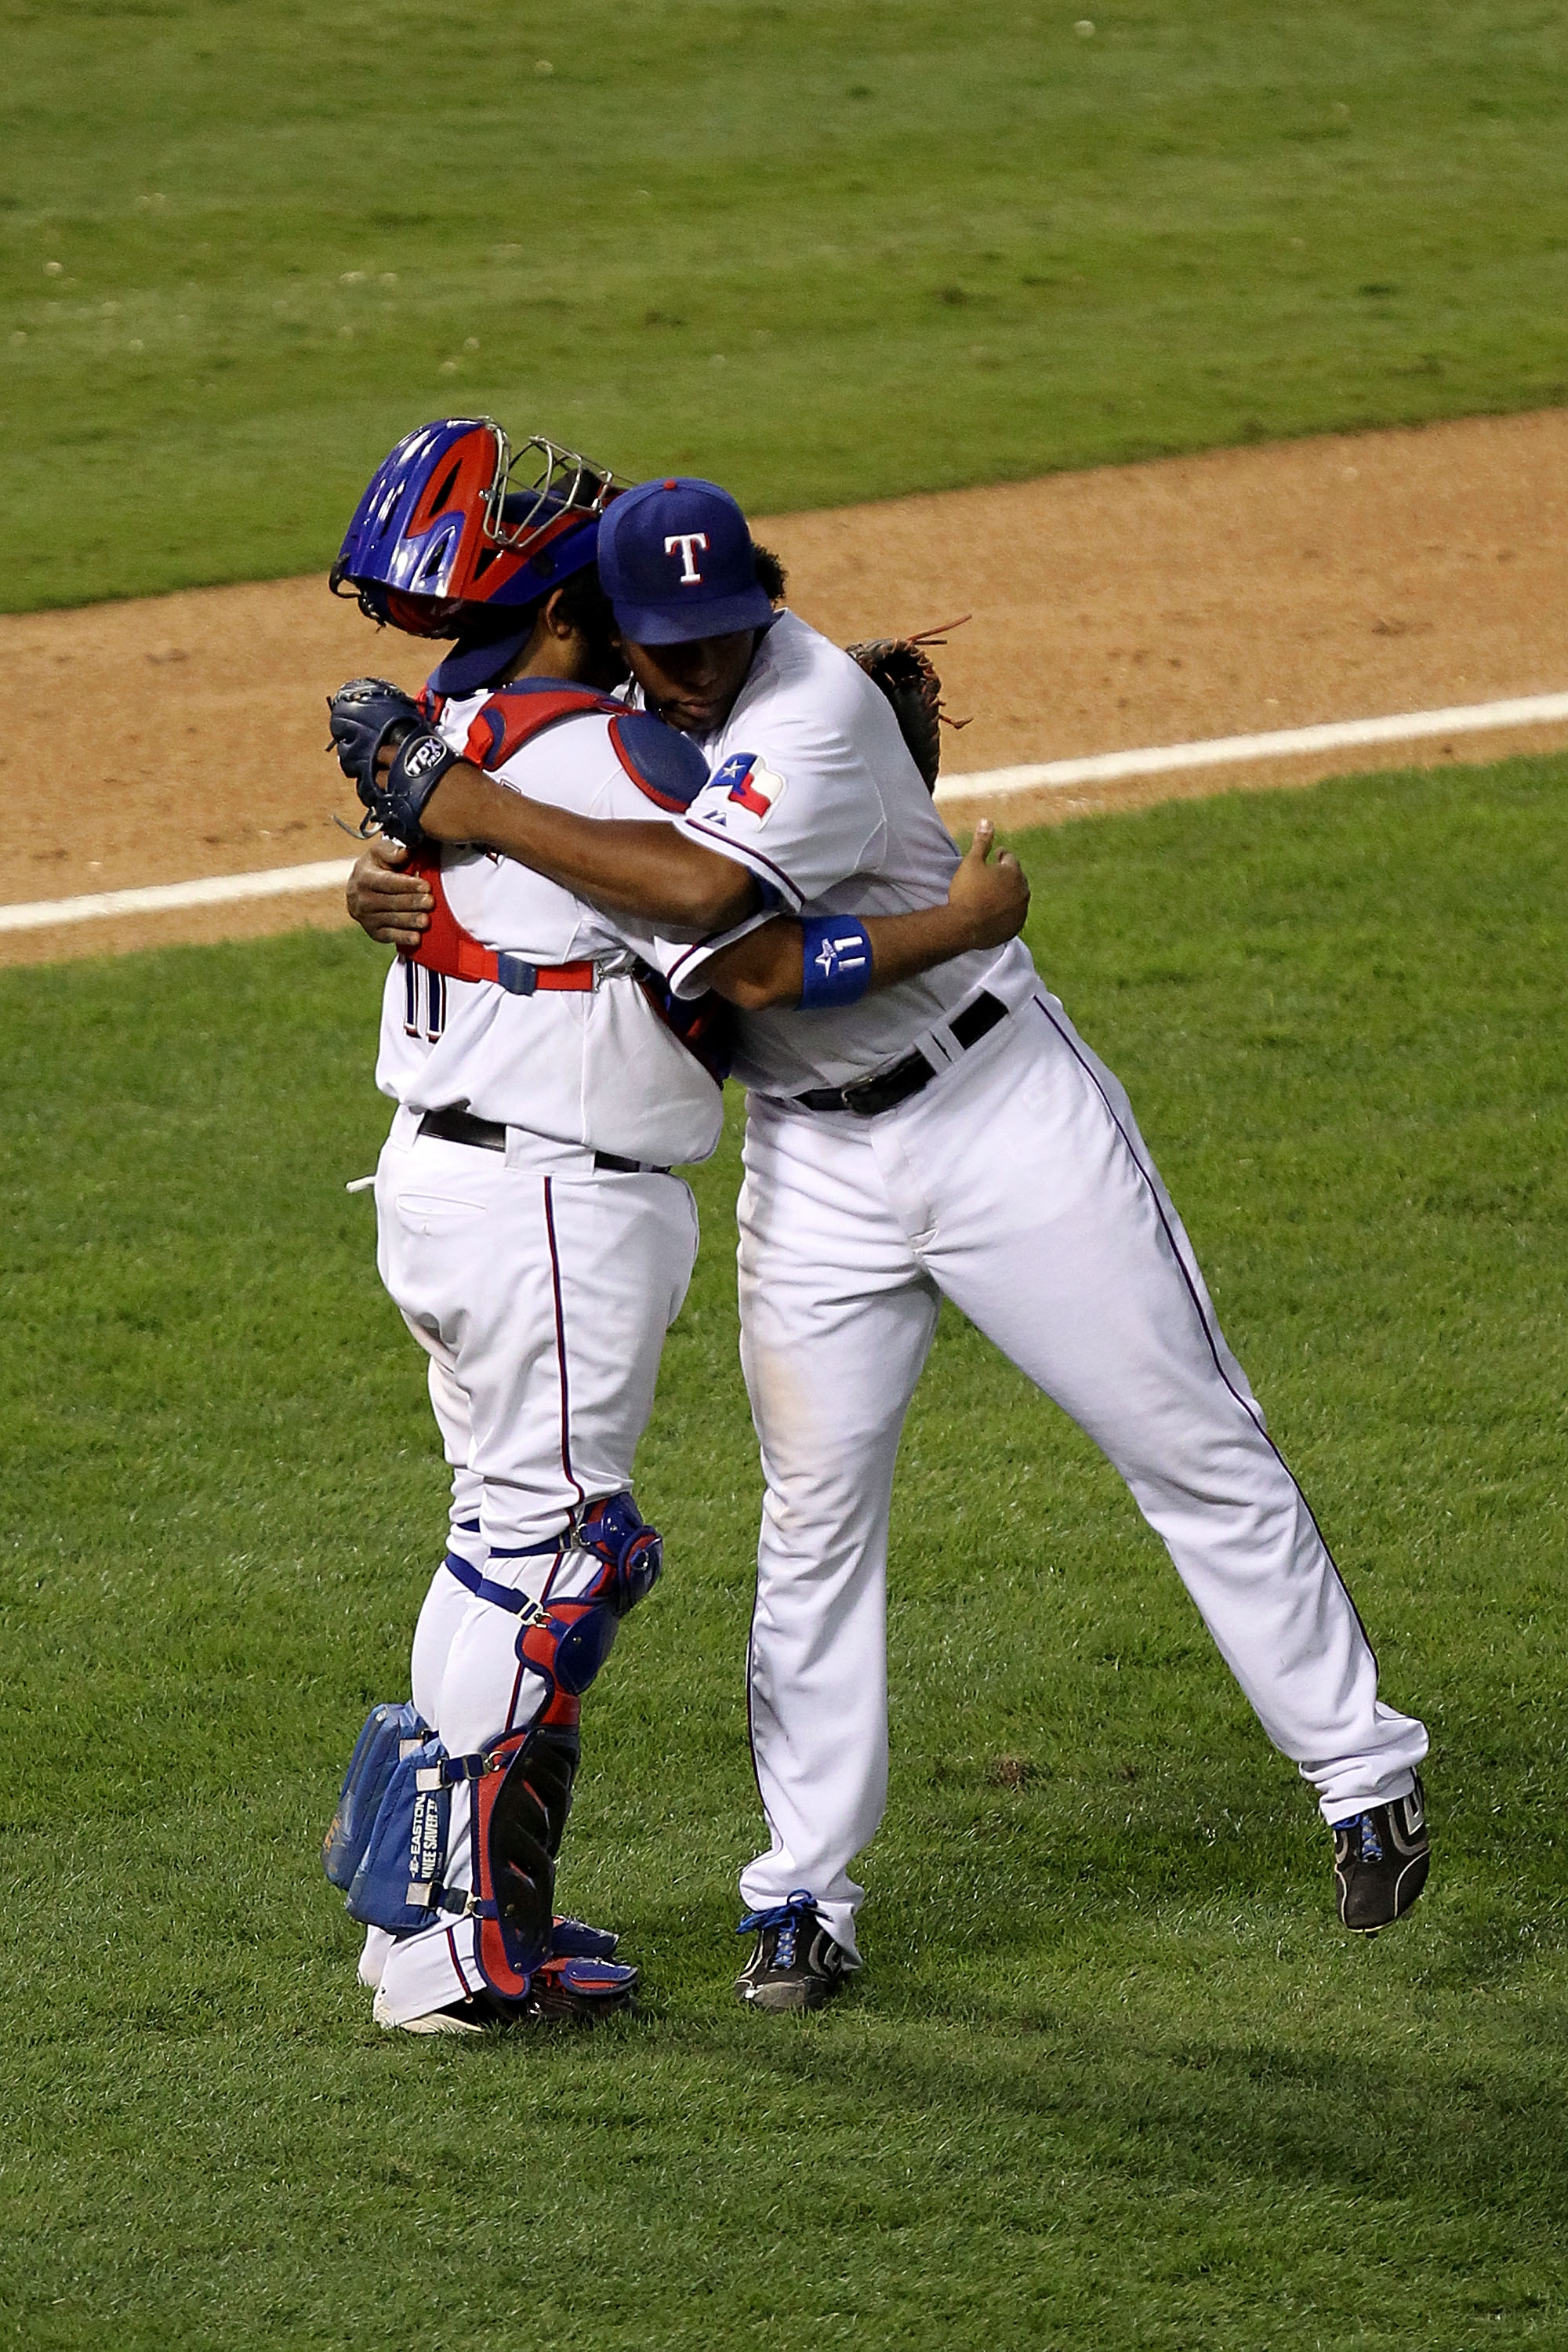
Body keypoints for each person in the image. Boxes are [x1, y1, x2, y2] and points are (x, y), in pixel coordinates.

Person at [348, 470, 1432, 2016]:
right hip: (813, 1164)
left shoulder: (809, 714)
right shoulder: (601, 713)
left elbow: (757, 948)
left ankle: (1358, 1769)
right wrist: (392, 873)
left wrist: (968, 919)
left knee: (1182, 1434)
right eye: (669, 643)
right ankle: (800, 1898)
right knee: (812, 1521)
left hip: (999, 1115)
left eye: (723, 632)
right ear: (617, 632)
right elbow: (506, 858)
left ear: (761, 602)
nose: (698, 667)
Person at [326, 425, 1033, 2031]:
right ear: (578, 618)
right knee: (565, 1550)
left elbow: (471, 880)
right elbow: (758, 952)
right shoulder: (616, 764)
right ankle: (458, 1961)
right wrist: (956, 920)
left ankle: (418, 1916)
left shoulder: (452, 733)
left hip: (445, 1186)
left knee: (494, 1540)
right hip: (554, 1203)